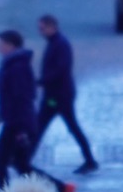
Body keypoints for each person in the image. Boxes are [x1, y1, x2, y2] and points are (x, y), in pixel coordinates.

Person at [37, 14, 98, 174]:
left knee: (41, 126)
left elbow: (60, 70)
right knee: (49, 126)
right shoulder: (56, 43)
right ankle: (90, 160)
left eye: (43, 28)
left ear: (52, 27)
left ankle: (22, 159)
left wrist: (41, 81)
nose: (40, 31)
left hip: (58, 96)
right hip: (57, 95)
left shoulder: (60, 45)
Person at [0, 30, 44, 191]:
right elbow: (8, 97)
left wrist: (21, 129)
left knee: (0, 163)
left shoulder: (17, 67)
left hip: (17, 122)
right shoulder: (12, 64)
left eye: (2, 44)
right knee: (21, 166)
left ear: (10, 45)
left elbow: (22, 97)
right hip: (15, 120)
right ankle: (61, 189)